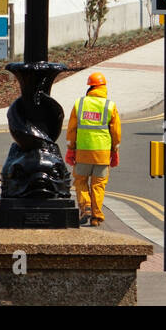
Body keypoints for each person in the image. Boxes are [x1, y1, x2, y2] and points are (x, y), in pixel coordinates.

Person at [65, 71, 121, 227]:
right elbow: (116, 133)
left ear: (89, 87)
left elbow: (72, 130)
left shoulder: (79, 104)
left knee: (81, 181)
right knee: (98, 185)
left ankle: (86, 207)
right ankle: (96, 217)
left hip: (83, 152)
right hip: (102, 154)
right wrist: (114, 152)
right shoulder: (110, 106)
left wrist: (71, 148)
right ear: (103, 87)